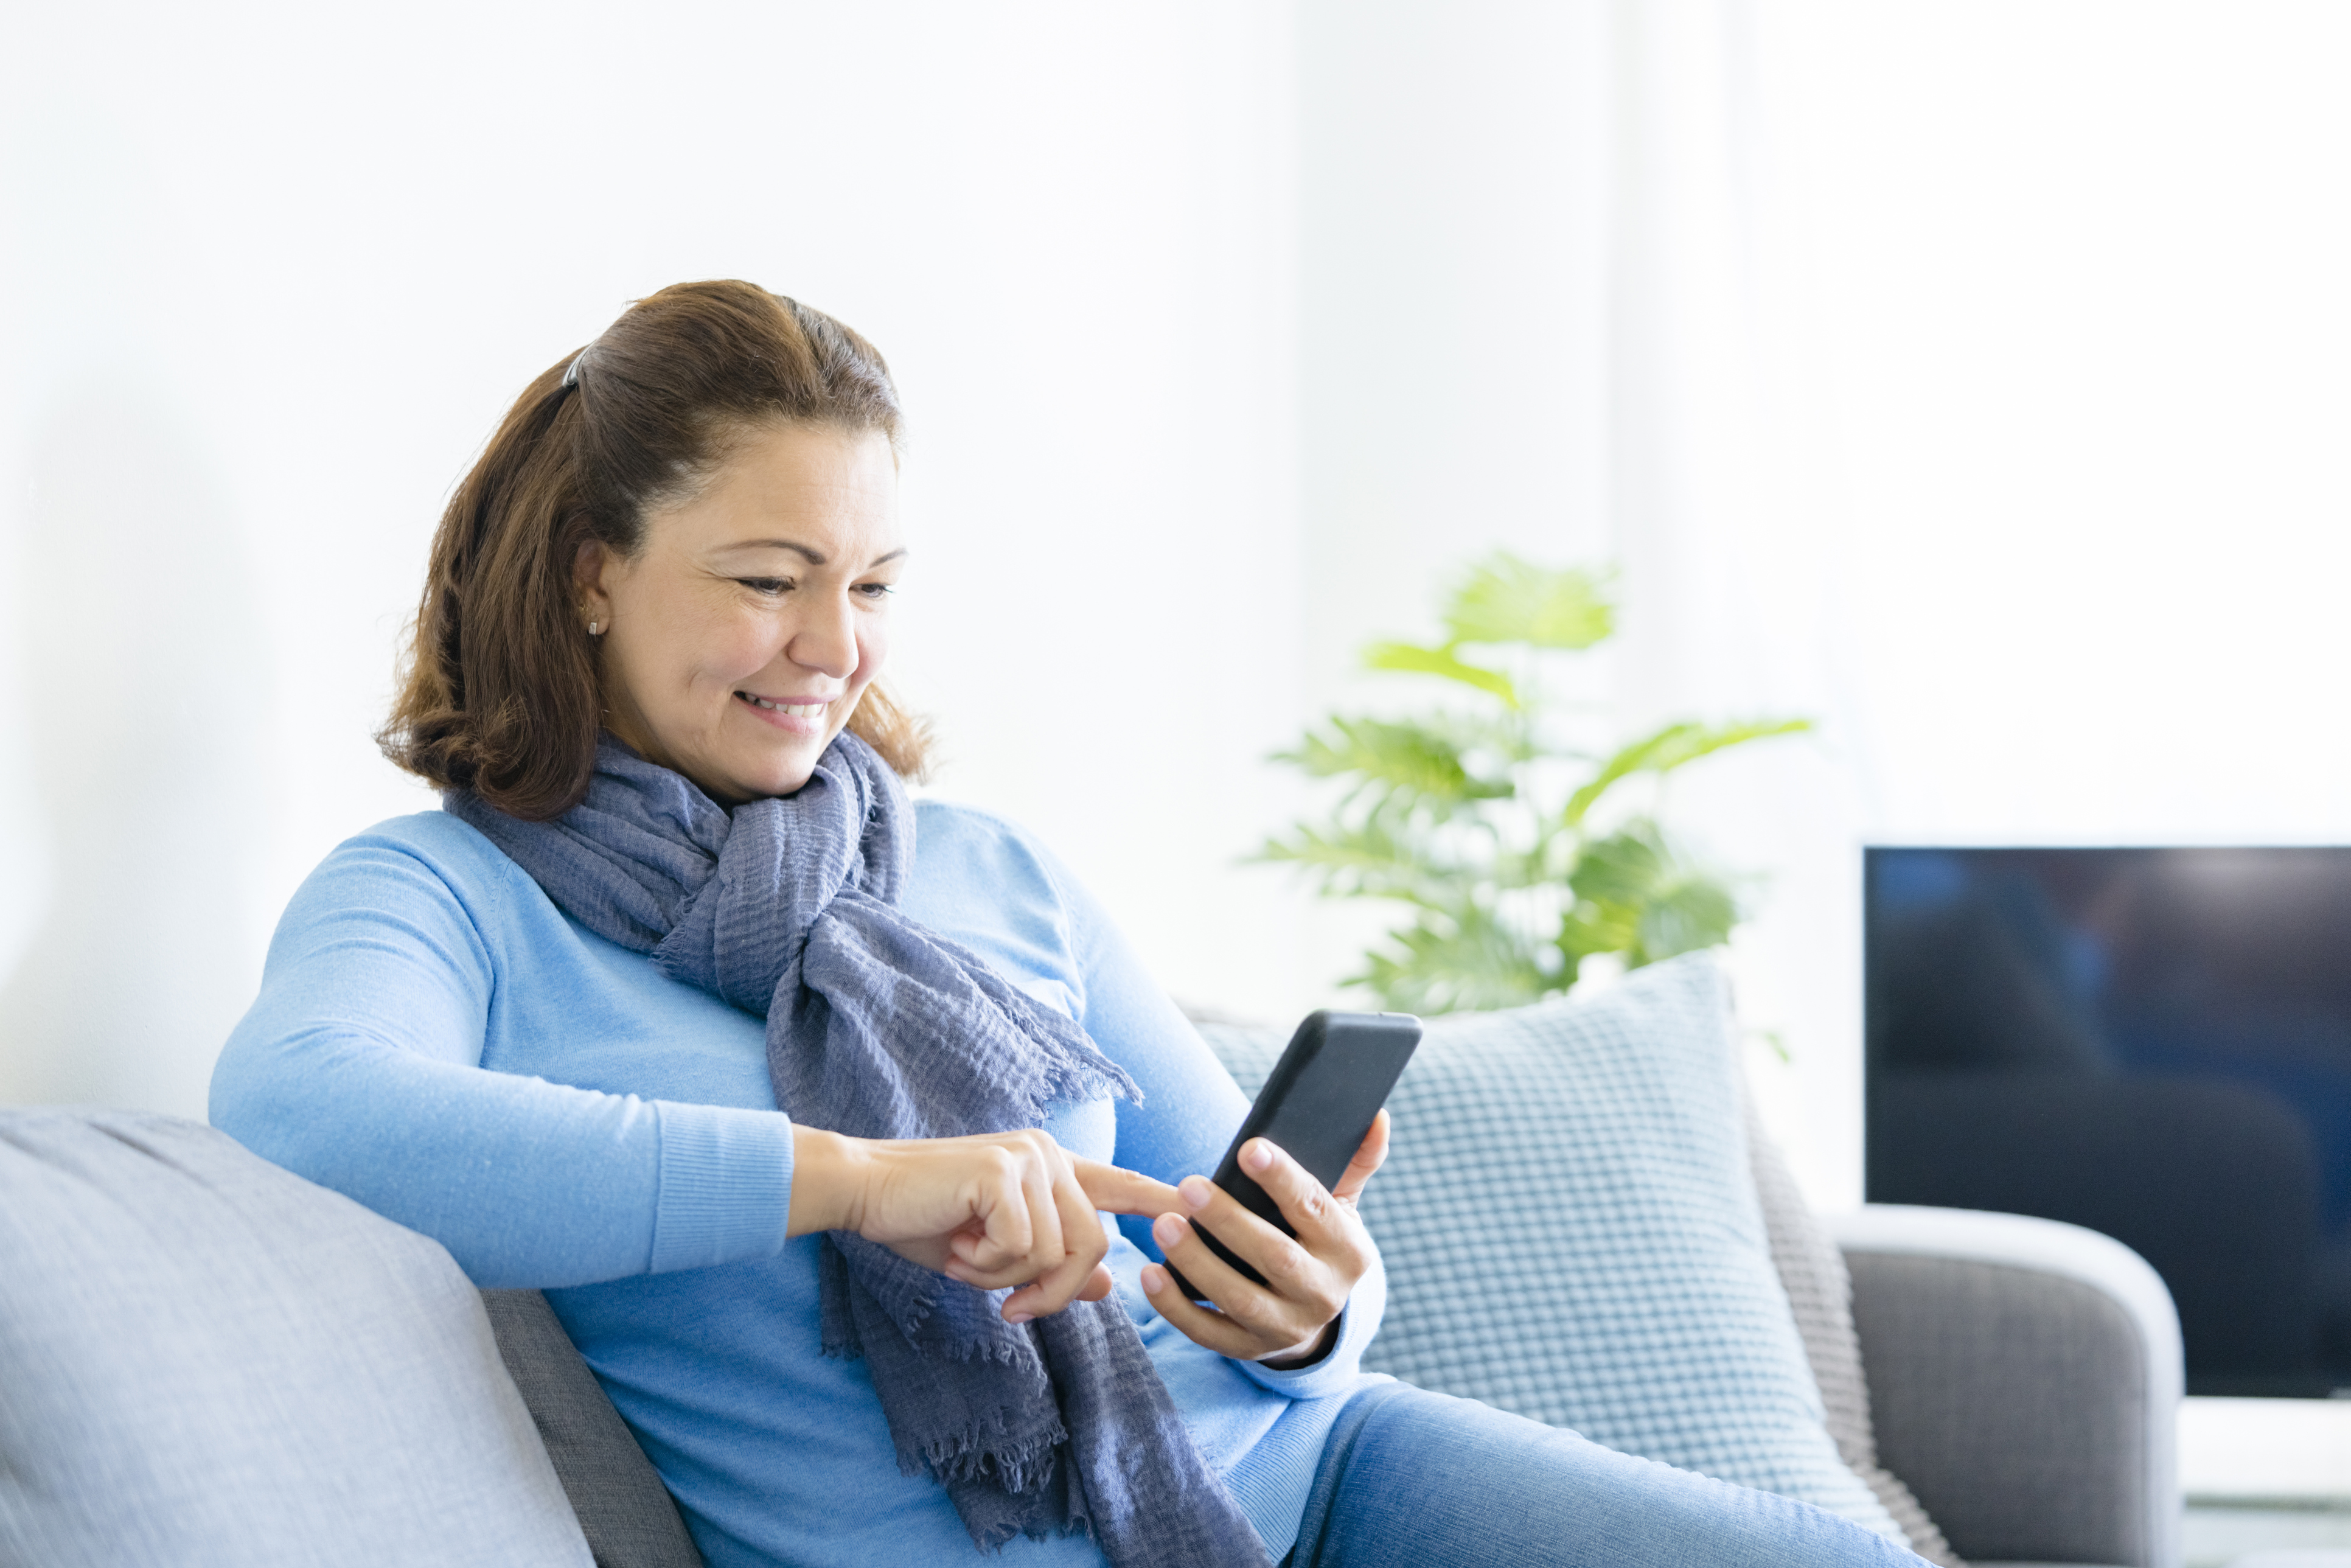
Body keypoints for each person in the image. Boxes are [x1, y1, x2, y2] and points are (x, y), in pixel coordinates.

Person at [210, 280, 1923, 1568]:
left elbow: (1220, 1211)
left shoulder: (980, 867)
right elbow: (300, 1113)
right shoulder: (448, 898)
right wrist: (866, 1177)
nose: (834, 646)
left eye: (871, 585)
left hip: (1303, 1480)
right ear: (591, 571)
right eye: (766, 577)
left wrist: (1311, 1303)